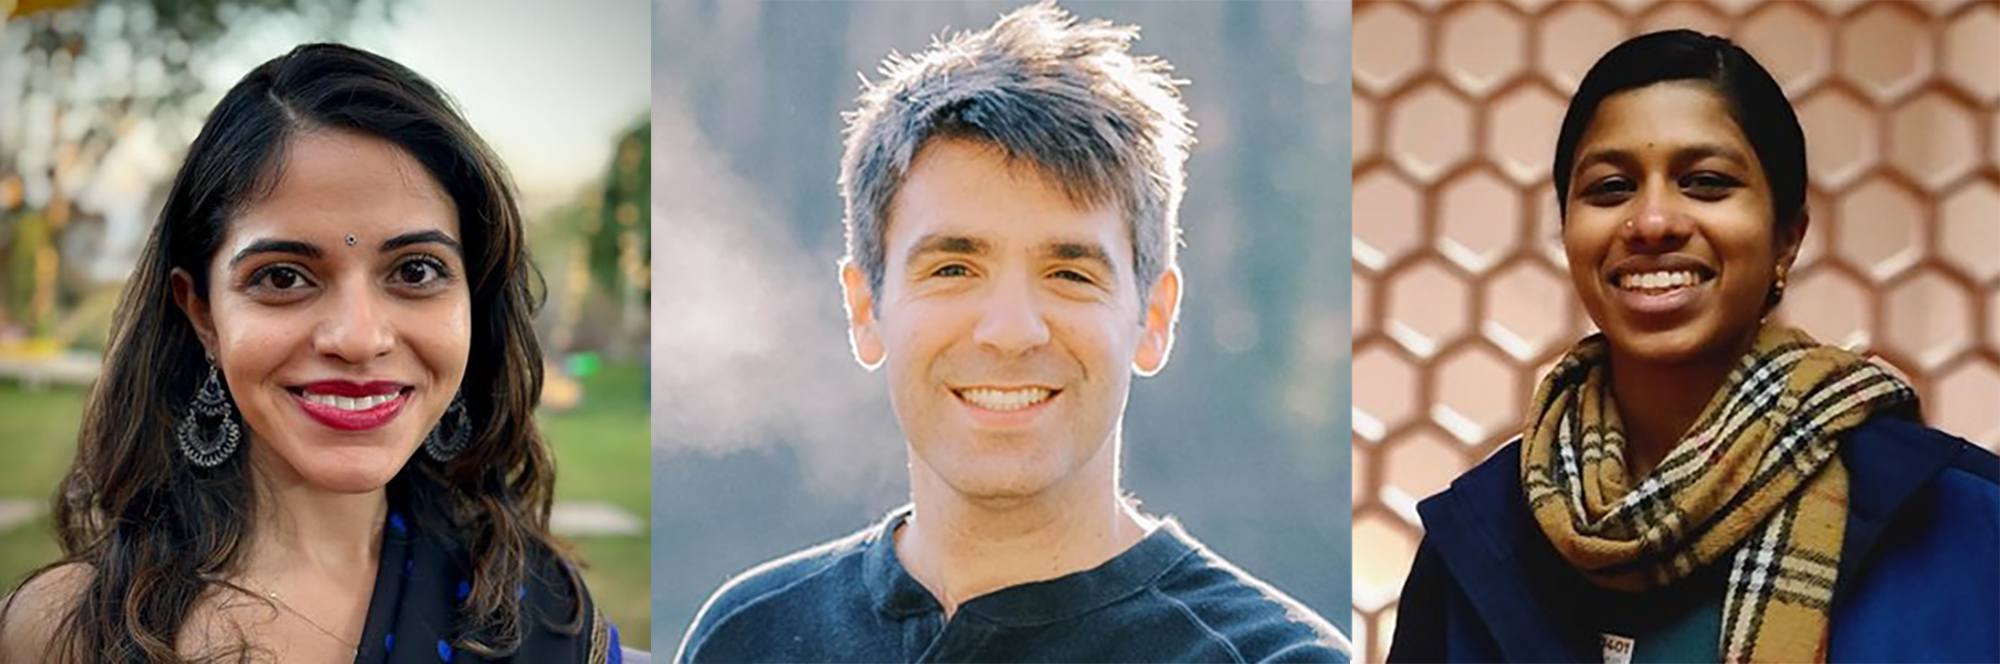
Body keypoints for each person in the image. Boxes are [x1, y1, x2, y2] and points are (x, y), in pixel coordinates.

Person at [673, 3, 1349, 662]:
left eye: (1070, 274)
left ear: (1155, 316)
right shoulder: (748, 637)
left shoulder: (1272, 657)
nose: (1010, 331)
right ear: (864, 307)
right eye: (955, 267)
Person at [1388, 29, 1999, 663]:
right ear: (1568, 231)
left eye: (1705, 183)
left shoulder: (1963, 522)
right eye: (1610, 188)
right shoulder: (1477, 541)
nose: (1653, 222)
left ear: (1787, 236)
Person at [0, 44, 620, 663]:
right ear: (203, 313)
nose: (357, 338)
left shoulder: (542, 615)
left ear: (472, 302)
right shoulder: (69, 635)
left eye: (416, 269)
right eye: (283, 278)